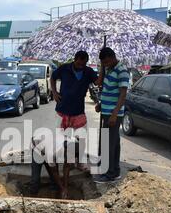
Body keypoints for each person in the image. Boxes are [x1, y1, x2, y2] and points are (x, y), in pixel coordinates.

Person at [94, 47, 130, 184]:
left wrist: (114, 114)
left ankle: (110, 174)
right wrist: (101, 104)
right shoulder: (109, 69)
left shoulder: (122, 70)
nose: (105, 64)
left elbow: (123, 94)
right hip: (106, 111)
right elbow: (108, 88)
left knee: (109, 143)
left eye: (106, 61)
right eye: (103, 63)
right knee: (112, 142)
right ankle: (114, 169)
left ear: (112, 57)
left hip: (113, 114)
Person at [50, 51, 102, 130]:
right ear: (74, 59)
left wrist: (103, 67)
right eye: (79, 64)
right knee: (61, 138)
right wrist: (54, 92)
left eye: (83, 64)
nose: (81, 66)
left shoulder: (88, 71)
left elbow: (98, 82)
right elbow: (53, 78)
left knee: (81, 139)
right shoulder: (64, 68)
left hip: (78, 111)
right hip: (62, 109)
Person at [29, 131, 80, 200]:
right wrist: (63, 188)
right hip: (37, 149)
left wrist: (65, 187)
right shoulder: (52, 152)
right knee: (35, 179)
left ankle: (54, 194)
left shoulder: (73, 142)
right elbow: (54, 171)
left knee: (54, 180)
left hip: (48, 142)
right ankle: (32, 197)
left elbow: (67, 167)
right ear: (65, 151)